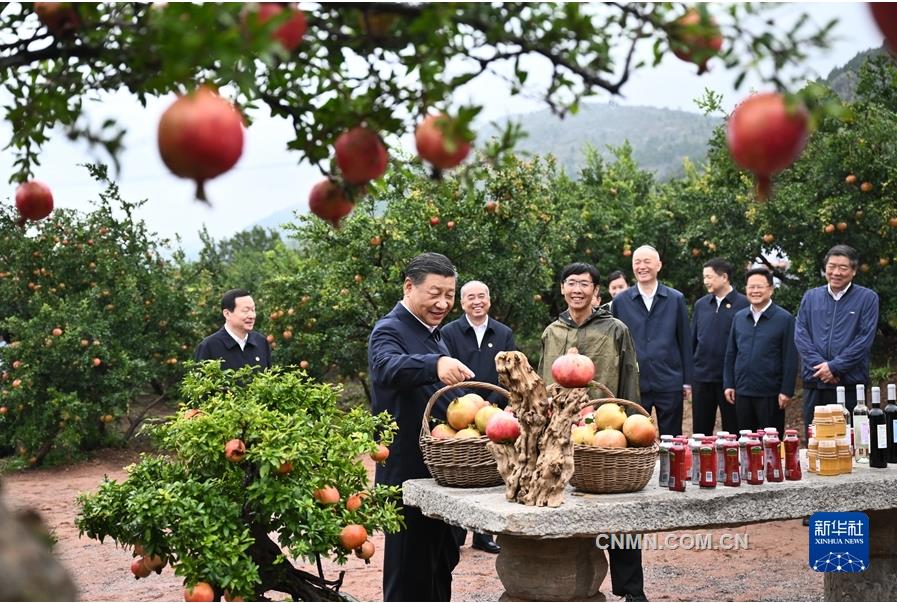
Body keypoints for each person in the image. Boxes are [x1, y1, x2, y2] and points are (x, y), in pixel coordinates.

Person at [368, 252, 475, 602]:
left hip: (437, 468)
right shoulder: (389, 329)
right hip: (405, 470)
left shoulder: (434, 334)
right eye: (435, 293)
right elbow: (389, 368)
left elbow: (437, 397)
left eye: (449, 294)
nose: (443, 302)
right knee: (409, 569)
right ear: (409, 286)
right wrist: (436, 363)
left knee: (441, 560)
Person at [538, 262, 645, 603]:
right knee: (564, 508)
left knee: (620, 513)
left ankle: (631, 589)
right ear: (563, 289)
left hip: (606, 432)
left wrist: (631, 423)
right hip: (560, 432)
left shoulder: (615, 329)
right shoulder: (552, 331)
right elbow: (541, 384)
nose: (577, 290)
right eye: (571, 283)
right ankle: (569, 586)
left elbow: (629, 378)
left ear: (596, 292)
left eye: (584, 284)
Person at [442, 280, 516, 555]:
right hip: (459, 411)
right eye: (470, 297)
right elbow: (447, 373)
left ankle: (483, 534)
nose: (477, 301)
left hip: (494, 412)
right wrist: (468, 403)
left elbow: (510, 373)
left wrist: (492, 403)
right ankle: (457, 531)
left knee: (489, 470)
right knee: (462, 470)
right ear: (462, 303)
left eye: (481, 296)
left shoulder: (503, 332)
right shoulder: (449, 333)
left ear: (489, 299)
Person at [612, 245, 693, 437]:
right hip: (634, 382)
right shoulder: (621, 301)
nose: (642, 266)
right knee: (633, 435)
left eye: (647, 262)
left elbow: (685, 341)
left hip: (669, 378)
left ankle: (671, 468)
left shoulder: (675, 299)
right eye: (637, 262)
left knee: (672, 437)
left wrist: (687, 381)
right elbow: (615, 345)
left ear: (659, 265)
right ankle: (639, 469)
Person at [794, 244, 879, 427]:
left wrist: (834, 367)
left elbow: (864, 339)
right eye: (832, 266)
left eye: (843, 267)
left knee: (852, 441)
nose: (836, 272)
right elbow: (801, 335)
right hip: (815, 383)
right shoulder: (811, 297)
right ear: (825, 269)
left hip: (850, 384)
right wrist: (822, 368)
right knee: (816, 440)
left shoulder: (867, 298)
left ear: (854, 271)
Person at [723, 267, 798, 436]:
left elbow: (790, 358)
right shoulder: (739, 317)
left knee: (770, 444)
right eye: (751, 287)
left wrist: (786, 390)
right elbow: (731, 353)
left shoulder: (784, 319)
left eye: (760, 286)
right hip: (742, 391)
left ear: (770, 289)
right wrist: (729, 383)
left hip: (770, 393)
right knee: (745, 442)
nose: (755, 291)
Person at [691, 258, 749, 435]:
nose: (705, 281)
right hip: (702, 377)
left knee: (733, 430)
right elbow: (693, 341)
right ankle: (701, 463)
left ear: (724, 277)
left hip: (730, 380)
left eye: (709, 276)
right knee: (701, 431)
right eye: (704, 277)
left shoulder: (744, 304)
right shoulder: (701, 305)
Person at [194, 288, 272, 371]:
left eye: (253, 310)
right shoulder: (209, 346)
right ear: (227, 314)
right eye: (246, 310)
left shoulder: (261, 342)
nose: (252, 316)